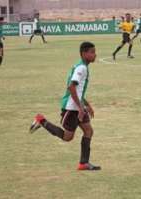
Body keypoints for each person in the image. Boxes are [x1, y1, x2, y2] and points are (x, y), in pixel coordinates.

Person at [29, 42, 101, 171]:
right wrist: (80, 108)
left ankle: (83, 163)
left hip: (77, 106)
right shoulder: (81, 68)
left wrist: (87, 105)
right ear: (84, 54)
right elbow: (71, 87)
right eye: (92, 52)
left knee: (89, 131)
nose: (95, 55)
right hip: (71, 108)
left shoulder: (82, 66)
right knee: (68, 137)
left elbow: (77, 90)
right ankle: (41, 121)